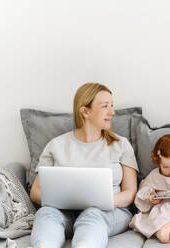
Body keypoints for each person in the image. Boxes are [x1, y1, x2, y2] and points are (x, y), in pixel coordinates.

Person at [29, 83, 138, 248]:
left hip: (108, 212)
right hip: (63, 212)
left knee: (93, 215)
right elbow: (35, 192)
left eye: (112, 106)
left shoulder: (121, 145)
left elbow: (130, 193)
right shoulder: (56, 145)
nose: (112, 112)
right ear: (85, 111)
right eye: (105, 106)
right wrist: (63, 201)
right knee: (45, 213)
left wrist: (102, 201)